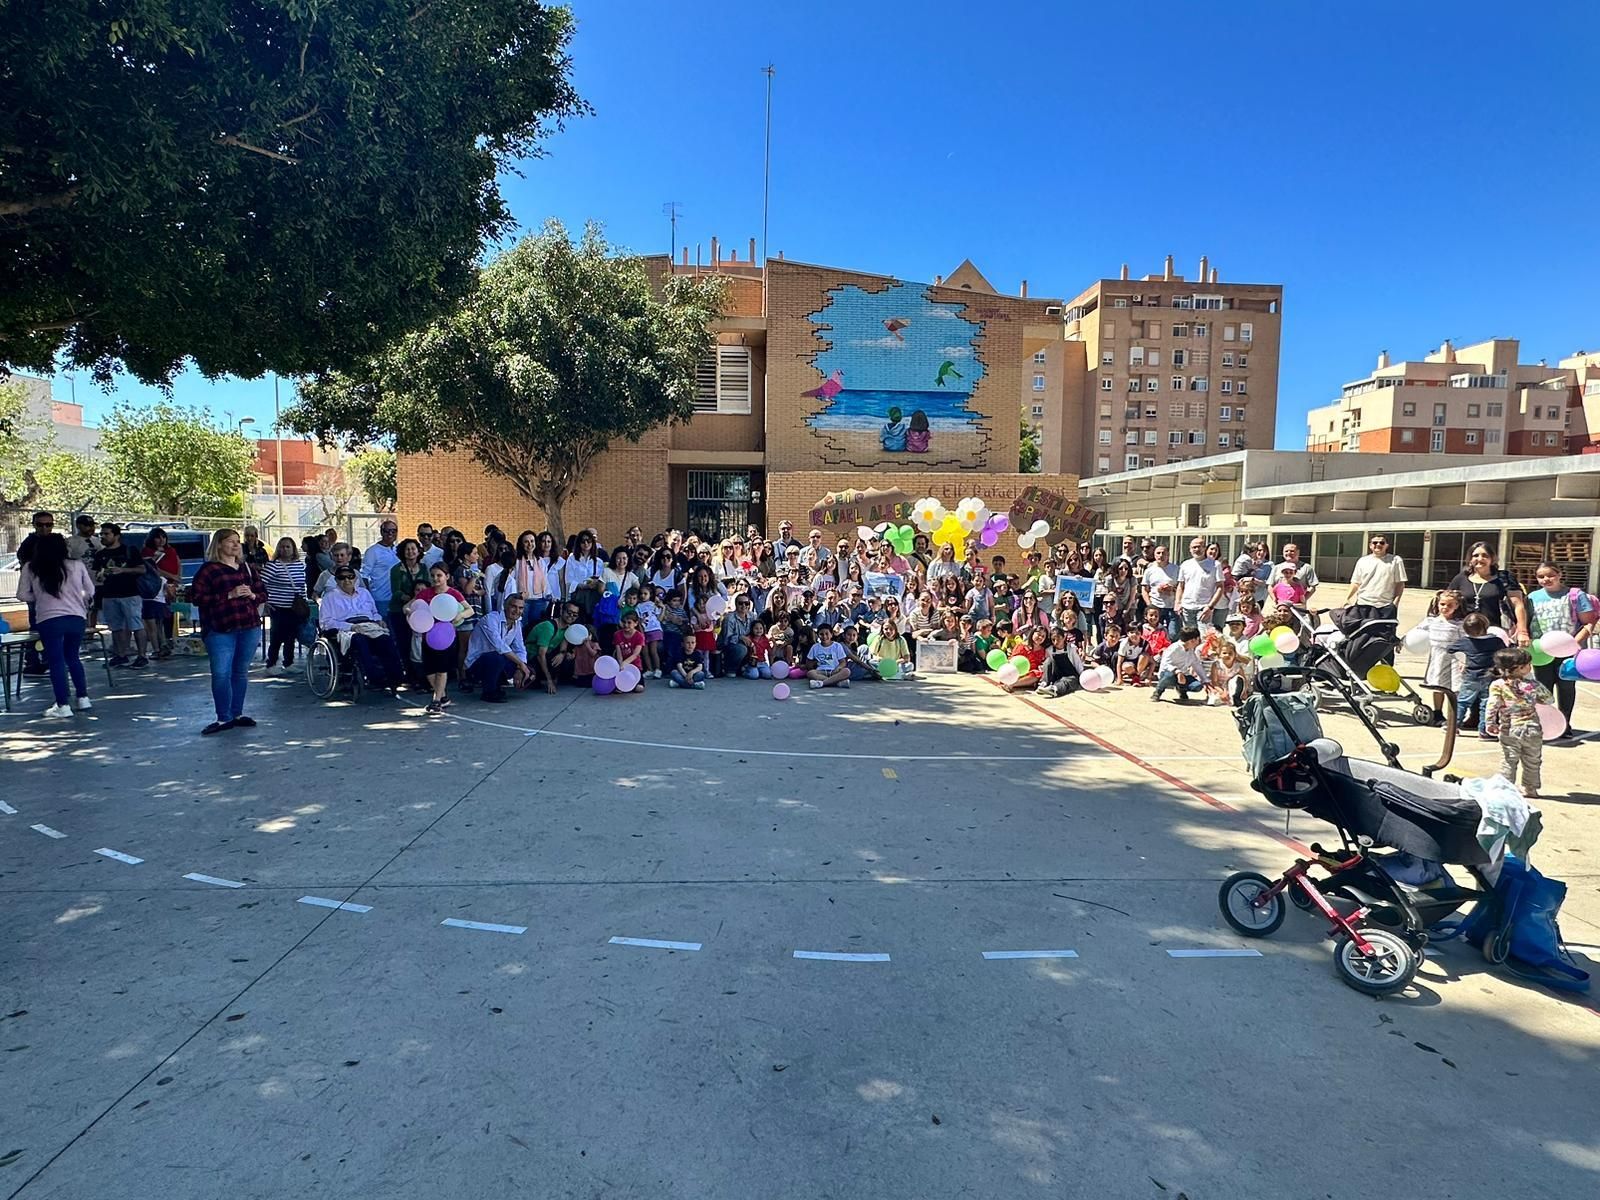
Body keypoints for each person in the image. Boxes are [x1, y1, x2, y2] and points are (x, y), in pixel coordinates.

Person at [189, 528, 268, 735]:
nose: (236, 545)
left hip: (249, 626)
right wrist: (228, 595)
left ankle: (237, 712)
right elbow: (197, 598)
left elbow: (263, 593)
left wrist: (252, 595)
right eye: (230, 541)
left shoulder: (247, 568)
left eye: (237, 541)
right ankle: (223, 717)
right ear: (219, 544)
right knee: (221, 673)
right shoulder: (209, 570)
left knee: (240, 672)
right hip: (220, 628)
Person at [16, 532, 96, 716]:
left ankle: (62, 705)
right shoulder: (77, 565)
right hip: (77, 617)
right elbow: (90, 590)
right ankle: (83, 698)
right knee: (73, 657)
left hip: (48, 619)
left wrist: (39, 597)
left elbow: (22, 595)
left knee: (56, 660)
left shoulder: (31, 567)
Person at [1525, 561, 1595, 740]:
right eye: (1541, 576)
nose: (1546, 579)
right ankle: (1545, 725)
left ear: (1559, 574)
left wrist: (1574, 643)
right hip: (1542, 651)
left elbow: (1589, 622)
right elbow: (1527, 621)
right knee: (1543, 689)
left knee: (1566, 687)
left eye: (1550, 575)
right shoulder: (1533, 597)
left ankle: (1565, 724)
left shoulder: (1575, 595)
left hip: (1568, 650)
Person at [318, 565, 407, 692]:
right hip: (345, 628)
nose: (347, 580)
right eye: (342, 578)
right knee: (359, 640)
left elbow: (374, 612)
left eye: (350, 577)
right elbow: (326, 623)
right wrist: (351, 627)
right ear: (336, 580)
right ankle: (373, 676)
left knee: (385, 640)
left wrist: (379, 620)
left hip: (368, 624)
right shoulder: (329, 597)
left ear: (355, 578)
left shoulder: (364, 593)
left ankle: (396, 677)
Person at [1485, 647, 1553, 798]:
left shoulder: (1498, 685)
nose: (1530, 667)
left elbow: (1492, 705)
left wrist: (1490, 723)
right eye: (1528, 664)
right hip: (1533, 728)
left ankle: (1505, 788)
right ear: (1519, 668)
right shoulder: (1533, 685)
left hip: (1510, 728)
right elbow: (1549, 699)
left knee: (1509, 759)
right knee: (1532, 760)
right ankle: (1531, 788)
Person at [410, 562, 471, 713]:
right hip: (427, 635)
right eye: (433, 576)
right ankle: (443, 696)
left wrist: (460, 614)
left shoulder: (453, 594)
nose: (436, 579)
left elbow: (469, 610)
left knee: (441, 669)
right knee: (429, 670)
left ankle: (436, 701)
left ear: (447, 577)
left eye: (439, 575)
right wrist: (409, 611)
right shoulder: (425, 594)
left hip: (445, 636)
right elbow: (411, 605)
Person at [1447, 541, 1531, 648]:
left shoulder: (1504, 578)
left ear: (1492, 559)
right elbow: (1448, 600)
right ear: (1470, 559)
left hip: (1496, 633)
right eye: (1475, 555)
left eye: (1485, 555)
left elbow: (1518, 605)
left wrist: (1522, 632)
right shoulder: (1461, 578)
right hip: (1466, 633)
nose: (1480, 559)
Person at [94, 523, 151, 668]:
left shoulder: (129, 551)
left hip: (129, 594)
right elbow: (96, 573)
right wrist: (101, 576)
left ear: (116, 535)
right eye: (102, 534)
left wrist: (123, 570)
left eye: (107, 534)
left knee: (136, 624)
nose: (103, 537)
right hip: (109, 594)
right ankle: (120, 654)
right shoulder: (100, 555)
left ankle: (142, 655)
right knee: (115, 626)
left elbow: (142, 569)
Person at [1404, 590, 1465, 725]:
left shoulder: (1459, 624)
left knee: (1455, 688)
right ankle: (1438, 713)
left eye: (1450, 605)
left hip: (1454, 659)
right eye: (1442, 604)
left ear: (1457, 605)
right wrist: (1403, 641)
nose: (1445, 608)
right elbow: (1416, 634)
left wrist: (1464, 660)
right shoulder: (1430, 621)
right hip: (1438, 658)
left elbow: (1466, 641)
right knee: (1438, 686)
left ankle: (1454, 715)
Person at [464, 594, 531, 703]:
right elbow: (499, 646)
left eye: (520, 608)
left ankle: (497, 684)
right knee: (497, 657)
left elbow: (520, 648)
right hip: (476, 664)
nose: (517, 611)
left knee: (526, 666)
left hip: (496, 660)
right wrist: (522, 665)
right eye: (513, 606)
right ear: (505, 606)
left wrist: (520, 668)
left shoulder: (517, 624)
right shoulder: (490, 619)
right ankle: (488, 692)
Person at [1451, 611, 1503, 736]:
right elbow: (1504, 651)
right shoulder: (1496, 640)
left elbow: (1450, 649)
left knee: (1462, 702)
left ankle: (1453, 727)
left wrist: (1462, 659)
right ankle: (1484, 731)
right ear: (1486, 626)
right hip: (1490, 676)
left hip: (1471, 676)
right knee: (1486, 704)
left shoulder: (1464, 641)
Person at [261, 537, 305, 673]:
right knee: (276, 636)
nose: (285, 549)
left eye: (288, 547)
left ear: (293, 549)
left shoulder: (299, 564)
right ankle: (271, 663)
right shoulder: (273, 565)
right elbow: (261, 583)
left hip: (294, 607)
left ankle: (289, 662)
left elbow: (301, 584)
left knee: (291, 636)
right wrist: (265, 601)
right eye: (282, 546)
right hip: (278, 607)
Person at [1342, 535, 1407, 623]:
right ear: (1370, 545)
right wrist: (1347, 598)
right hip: (1363, 605)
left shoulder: (1395, 560)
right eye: (1375, 542)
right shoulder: (1362, 561)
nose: (1378, 544)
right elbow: (1356, 583)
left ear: (1386, 545)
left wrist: (1395, 604)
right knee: (1362, 634)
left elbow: (1400, 584)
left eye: (1382, 542)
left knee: (1384, 635)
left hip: (1385, 606)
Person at [140, 527, 182, 659]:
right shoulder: (147, 552)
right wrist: (171, 576)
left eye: (164, 537)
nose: (161, 540)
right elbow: (153, 569)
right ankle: (158, 646)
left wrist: (176, 579)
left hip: (170, 586)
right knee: (153, 620)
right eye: (158, 537)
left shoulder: (171, 550)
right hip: (154, 589)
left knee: (167, 616)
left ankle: (167, 641)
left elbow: (178, 564)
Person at [526, 600, 580, 693]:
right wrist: (549, 680)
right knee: (533, 685)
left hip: (546, 655)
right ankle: (540, 677)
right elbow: (540, 654)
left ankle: (552, 677)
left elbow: (563, 649)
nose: (571, 616)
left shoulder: (567, 629)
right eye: (569, 612)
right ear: (562, 611)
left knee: (567, 659)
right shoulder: (549, 627)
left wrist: (562, 654)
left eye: (574, 614)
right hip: (532, 658)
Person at [1175, 537, 1223, 632]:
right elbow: (1181, 586)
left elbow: (1220, 587)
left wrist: (1210, 606)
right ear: (1190, 549)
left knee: (1205, 638)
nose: (1197, 550)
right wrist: (1178, 602)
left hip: (1204, 608)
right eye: (1194, 547)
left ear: (1204, 548)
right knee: (1190, 639)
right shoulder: (1185, 564)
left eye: (1199, 547)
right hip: (1186, 608)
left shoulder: (1215, 564)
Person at [1152, 627, 1204, 703]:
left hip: (1183, 676)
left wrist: (1205, 680)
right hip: (1169, 673)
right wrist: (1177, 671)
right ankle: (1158, 691)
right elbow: (1165, 663)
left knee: (1197, 686)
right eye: (1198, 639)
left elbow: (1196, 664)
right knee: (1168, 676)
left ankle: (1181, 689)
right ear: (1192, 640)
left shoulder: (1191, 650)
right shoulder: (1174, 648)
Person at [362, 520, 401, 615]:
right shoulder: (372, 551)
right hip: (380, 599)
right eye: (387, 531)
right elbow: (364, 576)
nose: (390, 534)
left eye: (393, 531)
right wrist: (368, 597)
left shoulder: (399, 550)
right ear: (381, 532)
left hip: (397, 598)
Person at [1140, 545, 1179, 638]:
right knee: (1155, 635)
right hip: (1156, 606)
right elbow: (1144, 590)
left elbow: (1182, 588)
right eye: (1158, 553)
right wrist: (1150, 605)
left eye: (1163, 553)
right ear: (1154, 555)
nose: (1161, 555)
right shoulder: (1149, 571)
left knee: (1172, 634)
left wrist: (1172, 589)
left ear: (1168, 555)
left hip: (1172, 607)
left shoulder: (1176, 569)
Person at [805, 622, 851, 689]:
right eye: (821, 634)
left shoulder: (837, 646)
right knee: (810, 673)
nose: (824, 636)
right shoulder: (815, 647)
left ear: (831, 634)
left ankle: (822, 683)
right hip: (821, 671)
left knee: (847, 671)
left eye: (827, 634)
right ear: (818, 635)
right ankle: (836, 682)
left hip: (834, 671)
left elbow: (843, 662)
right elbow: (809, 663)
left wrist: (838, 668)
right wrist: (813, 664)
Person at [611, 610, 647, 693]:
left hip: (635, 666)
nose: (626, 625)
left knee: (639, 688)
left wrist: (625, 663)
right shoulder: (617, 635)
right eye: (624, 622)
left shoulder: (639, 636)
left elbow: (635, 654)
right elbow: (619, 653)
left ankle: (629, 686)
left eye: (629, 622)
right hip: (622, 666)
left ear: (636, 623)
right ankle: (624, 686)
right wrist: (621, 665)